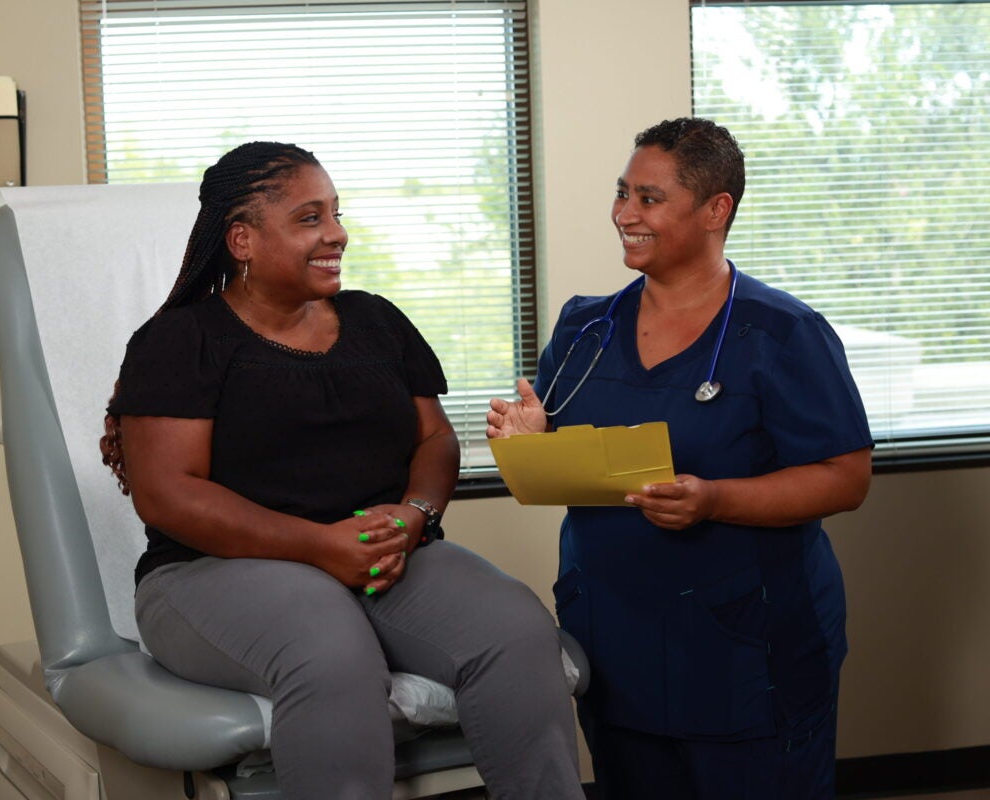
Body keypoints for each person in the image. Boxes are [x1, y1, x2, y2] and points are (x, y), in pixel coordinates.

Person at [99, 141, 584, 800]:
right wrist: (320, 547)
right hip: (211, 571)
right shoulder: (182, 342)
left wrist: (414, 516)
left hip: (384, 555)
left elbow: (435, 439)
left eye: (335, 213)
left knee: (518, 629)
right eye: (309, 218)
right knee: (330, 653)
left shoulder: (375, 321)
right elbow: (167, 495)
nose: (337, 234)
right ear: (242, 239)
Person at [486, 118, 873, 799]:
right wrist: (529, 442)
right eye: (621, 193)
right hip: (615, 635)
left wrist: (715, 499)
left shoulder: (783, 333)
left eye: (649, 198)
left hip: (748, 648)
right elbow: (573, 458)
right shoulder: (585, 329)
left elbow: (845, 478)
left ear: (715, 209)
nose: (623, 214)